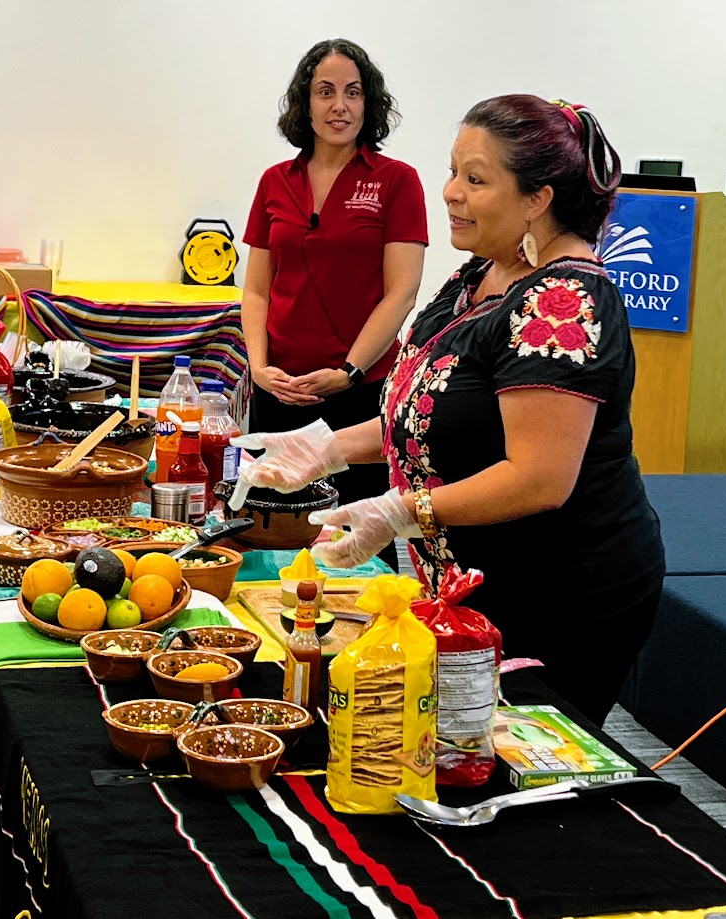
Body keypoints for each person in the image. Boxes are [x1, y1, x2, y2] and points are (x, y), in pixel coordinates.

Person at [231, 95, 665, 727]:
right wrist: (324, 447)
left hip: (558, 587)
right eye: (453, 171)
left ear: (537, 199)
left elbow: (539, 478)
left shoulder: (563, 300)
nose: (450, 192)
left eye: (476, 179)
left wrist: (403, 510)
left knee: (509, 752)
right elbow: (430, 409)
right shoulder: (480, 274)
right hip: (474, 575)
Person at [239, 38, 428, 569]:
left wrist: (349, 371)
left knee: (359, 539)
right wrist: (260, 368)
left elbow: (402, 292)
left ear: (370, 104)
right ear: (305, 102)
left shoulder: (397, 181)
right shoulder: (275, 182)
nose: (339, 106)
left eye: (353, 92)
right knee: (268, 532)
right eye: (325, 92)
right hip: (278, 390)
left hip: (359, 395)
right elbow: (255, 290)